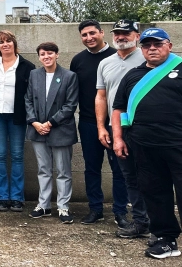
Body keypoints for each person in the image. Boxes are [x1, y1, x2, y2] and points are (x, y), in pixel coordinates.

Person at [112, 28, 182, 259]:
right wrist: (119, 138)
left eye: (157, 44)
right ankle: (166, 240)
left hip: (177, 145)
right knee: (155, 193)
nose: (152, 48)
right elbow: (119, 108)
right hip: (144, 146)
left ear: (169, 46)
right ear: (141, 49)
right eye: (146, 45)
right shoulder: (132, 75)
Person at [69, 20, 129, 227]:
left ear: (102, 33)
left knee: (119, 169)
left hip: (116, 124)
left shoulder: (116, 56)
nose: (89, 38)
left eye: (92, 33)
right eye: (84, 35)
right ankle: (95, 209)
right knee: (91, 167)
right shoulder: (77, 60)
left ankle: (121, 211)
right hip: (87, 122)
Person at [96, 20, 150, 239]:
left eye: (126, 33)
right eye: (117, 33)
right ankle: (140, 222)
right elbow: (100, 96)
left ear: (137, 35)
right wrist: (102, 127)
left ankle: (158, 222)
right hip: (117, 126)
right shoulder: (105, 63)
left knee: (150, 175)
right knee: (129, 176)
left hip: (145, 126)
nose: (120, 37)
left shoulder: (148, 58)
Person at [25, 42, 79, 223]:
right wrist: (35, 122)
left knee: (63, 170)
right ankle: (44, 205)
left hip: (60, 129)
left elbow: (70, 105)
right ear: (39, 57)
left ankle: (63, 207)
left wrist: (49, 122)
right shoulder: (34, 75)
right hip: (38, 129)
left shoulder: (69, 76)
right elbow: (28, 100)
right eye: (42, 54)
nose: (46, 56)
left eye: (50, 53)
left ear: (57, 54)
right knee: (43, 169)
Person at [0, 30, 34, 213]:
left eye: (8, 41)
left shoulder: (27, 66)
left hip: (17, 117)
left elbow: (31, 94)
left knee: (17, 156)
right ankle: (2, 196)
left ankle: (17, 198)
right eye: (1, 42)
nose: (5, 44)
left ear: (14, 43)